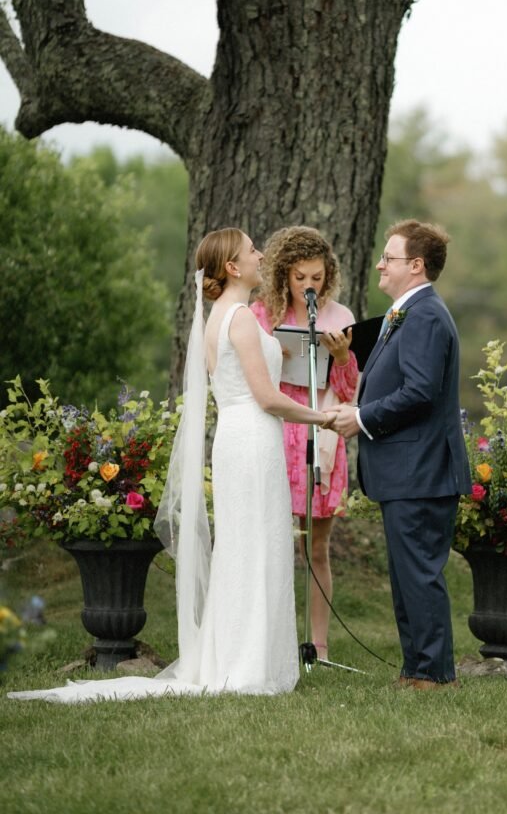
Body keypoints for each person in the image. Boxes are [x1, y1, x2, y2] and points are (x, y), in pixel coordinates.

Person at [9, 228, 334, 703]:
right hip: (251, 439)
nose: (261, 255)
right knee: (255, 543)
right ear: (232, 267)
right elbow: (266, 397)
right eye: (251, 251)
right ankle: (248, 664)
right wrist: (323, 416)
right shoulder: (241, 317)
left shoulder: (219, 317)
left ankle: (244, 656)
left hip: (237, 439)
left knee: (246, 546)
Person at [331, 220, 471, 691]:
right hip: (408, 471)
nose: (379, 264)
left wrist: (362, 418)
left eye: (388, 257)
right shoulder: (405, 313)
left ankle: (434, 674)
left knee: (419, 575)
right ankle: (416, 670)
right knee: (407, 575)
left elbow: (421, 392)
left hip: (423, 469)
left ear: (415, 265)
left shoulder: (426, 315)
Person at [251, 226, 359, 662]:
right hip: (278, 428)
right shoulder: (262, 314)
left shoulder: (340, 315)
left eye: (316, 277)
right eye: (300, 278)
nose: (308, 286)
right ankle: (269, 641)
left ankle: (319, 644)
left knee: (316, 546)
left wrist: (342, 358)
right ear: (283, 275)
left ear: (327, 274)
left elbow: (350, 392)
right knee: (272, 541)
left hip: (321, 433)